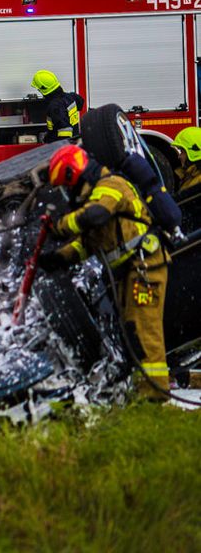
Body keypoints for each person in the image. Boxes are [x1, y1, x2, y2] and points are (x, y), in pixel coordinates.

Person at [40, 144, 170, 400]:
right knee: (132, 331)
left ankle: (156, 397)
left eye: (67, 186)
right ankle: (143, 388)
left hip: (144, 267)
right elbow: (88, 243)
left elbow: (94, 217)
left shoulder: (109, 186)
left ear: (73, 175)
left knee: (145, 329)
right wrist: (57, 258)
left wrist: (60, 226)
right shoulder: (96, 195)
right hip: (130, 270)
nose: (68, 193)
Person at [31, 70, 85, 143]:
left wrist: (61, 148)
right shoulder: (71, 97)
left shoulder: (55, 107)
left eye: (39, 89)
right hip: (74, 138)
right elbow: (80, 102)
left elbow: (65, 130)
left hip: (61, 144)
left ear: (43, 89)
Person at [172, 126, 201, 193]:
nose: (179, 156)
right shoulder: (190, 176)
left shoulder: (197, 182)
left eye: (182, 152)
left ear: (193, 152)